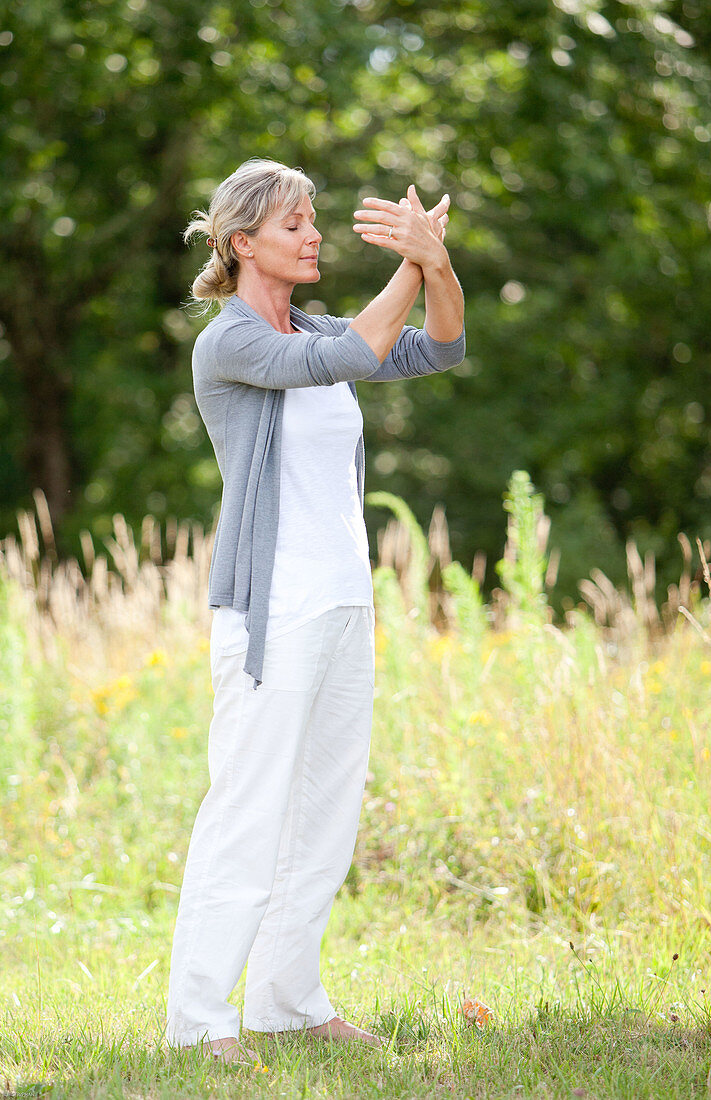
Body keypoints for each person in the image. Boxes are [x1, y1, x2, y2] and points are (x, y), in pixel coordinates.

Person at [164, 157, 465, 1065]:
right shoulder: (230, 343)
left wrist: (437, 267)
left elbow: (437, 348)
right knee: (248, 809)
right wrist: (410, 265)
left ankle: (289, 1001)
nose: (312, 235)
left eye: (314, 220)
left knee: (325, 810)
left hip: (341, 602)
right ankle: (199, 1019)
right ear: (240, 242)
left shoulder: (321, 324)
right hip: (271, 610)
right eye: (293, 224)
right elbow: (345, 357)